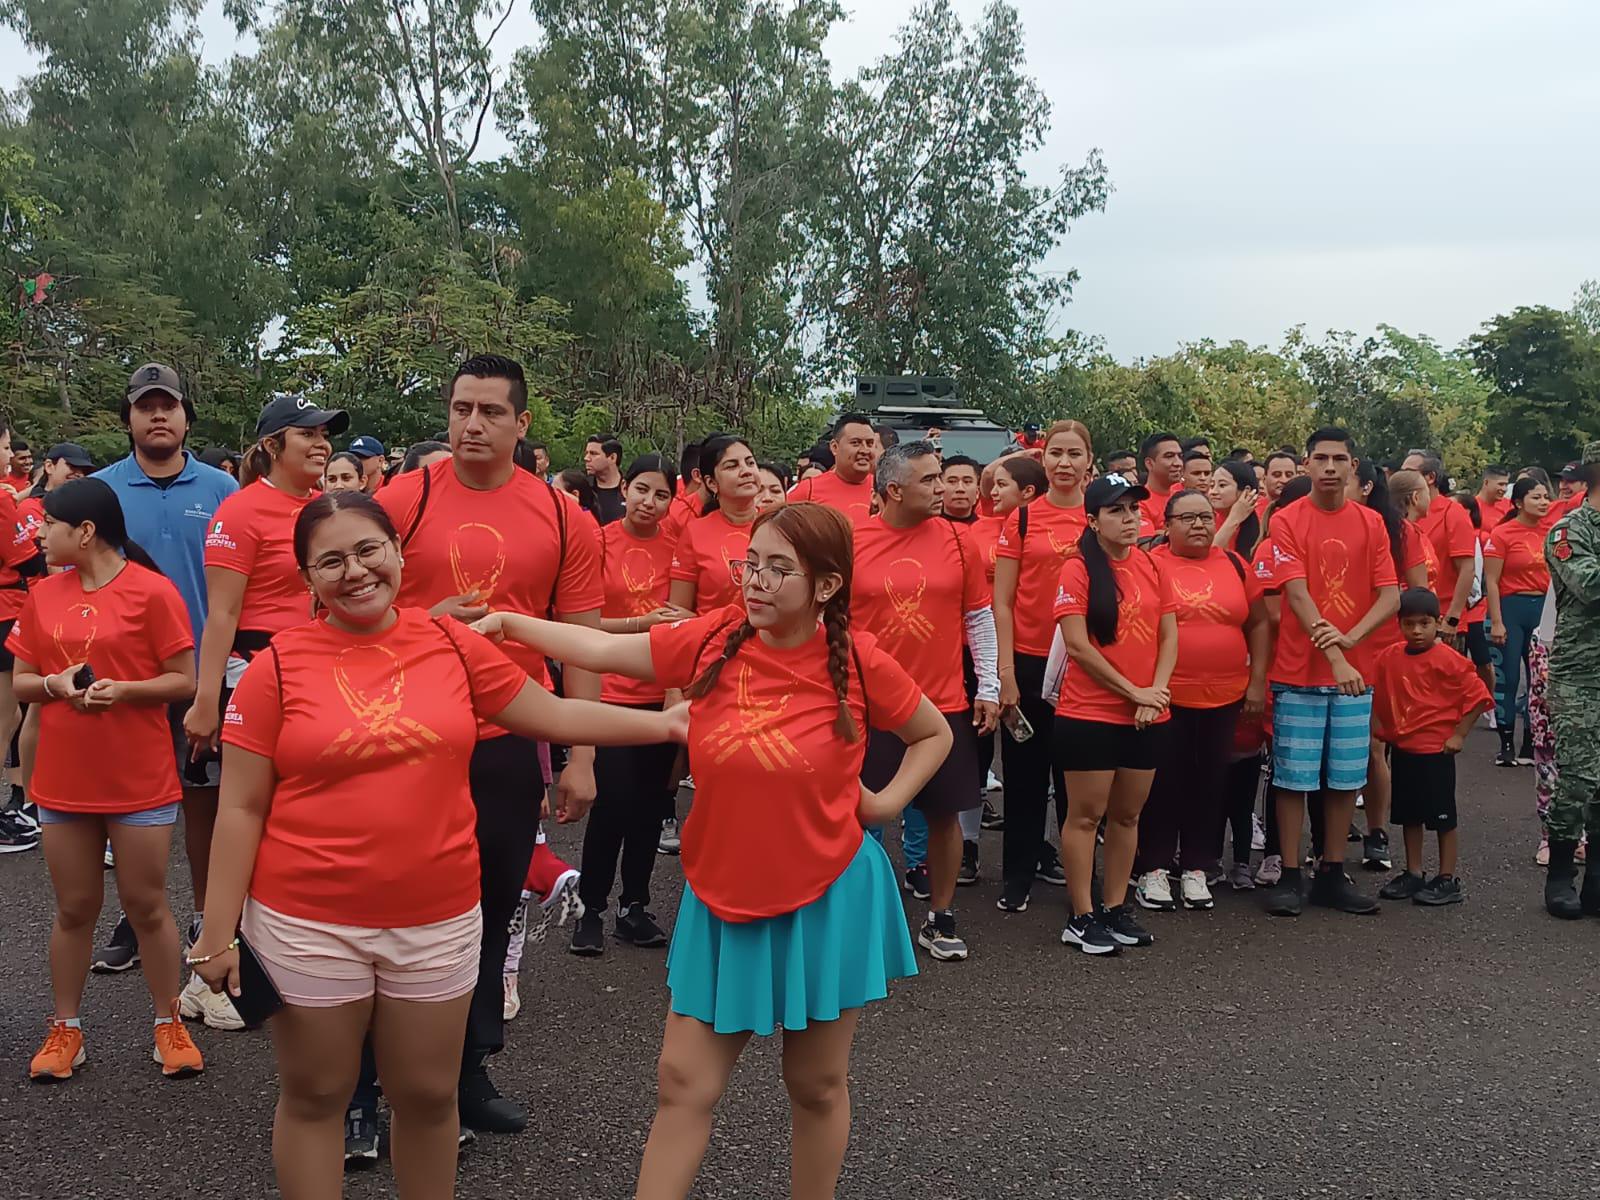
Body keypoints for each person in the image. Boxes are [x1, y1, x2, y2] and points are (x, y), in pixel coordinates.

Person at [187, 490, 679, 1198]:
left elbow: (553, 711)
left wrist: (667, 726)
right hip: (307, 923)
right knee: (316, 1099)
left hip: (438, 919)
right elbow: (238, 807)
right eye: (330, 561)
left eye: (367, 550)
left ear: (397, 553)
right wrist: (216, 933)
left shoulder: (453, 642)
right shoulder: (278, 667)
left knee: (426, 1096)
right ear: (306, 581)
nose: (354, 571)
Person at [473, 502, 951, 1200]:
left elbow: (933, 733)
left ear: (825, 586)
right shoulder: (715, 639)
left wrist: (884, 802)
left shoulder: (858, 661)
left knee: (815, 1085)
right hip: (722, 888)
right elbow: (601, 650)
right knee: (682, 1083)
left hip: (827, 889)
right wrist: (511, 624)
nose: (755, 582)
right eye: (750, 564)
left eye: (778, 570)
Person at [374, 352, 605, 1132]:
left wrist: (582, 757)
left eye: (491, 412)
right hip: (403, 732)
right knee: (397, 906)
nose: (473, 424)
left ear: (523, 424)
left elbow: (581, 640)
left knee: (490, 898)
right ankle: (369, 1085)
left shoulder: (564, 516)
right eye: (462, 408)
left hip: (510, 733)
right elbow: (342, 611)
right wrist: (421, 621)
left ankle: (467, 1069)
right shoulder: (402, 501)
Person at [14, 479, 203, 1081]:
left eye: (50, 522)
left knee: (147, 906)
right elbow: (22, 680)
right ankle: (65, 1028)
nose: (38, 533)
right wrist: (54, 686)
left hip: (139, 776)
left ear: (86, 531)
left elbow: (185, 680)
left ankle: (168, 1021)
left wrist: (124, 691)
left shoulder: (153, 593)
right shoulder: (42, 595)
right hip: (64, 779)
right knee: (74, 909)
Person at [180, 394, 346, 1014]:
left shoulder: (324, 511)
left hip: (317, 669)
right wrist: (205, 700)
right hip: (252, 672)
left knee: (298, 817)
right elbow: (220, 611)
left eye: (328, 434)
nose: (323, 443)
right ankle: (212, 975)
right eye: (309, 434)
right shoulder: (241, 510)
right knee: (249, 817)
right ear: (273, 445)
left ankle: (257, 970)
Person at [88, 365, 238, 985]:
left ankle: (209, 921)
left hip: (204, 673)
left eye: (168, 406)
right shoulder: (100, 491)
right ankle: (137, 917)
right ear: (128, 418)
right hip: (127, 680)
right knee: (134, 811)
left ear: (185, 417)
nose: (157, 416)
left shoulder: (223, 488)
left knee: (207, 806)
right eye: (144, 406)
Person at [853, 442, 998, 961]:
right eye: (931, 480)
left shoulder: (961, 541)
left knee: (945, 814)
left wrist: (990, 686)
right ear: (894, 489)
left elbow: (978, 618)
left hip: (941, 706)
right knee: (853, 815)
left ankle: (939, 916)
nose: (945, 489)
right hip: (866, 706)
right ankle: (847, 913)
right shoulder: (850, 540)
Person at [1260, 428, 1399, 918]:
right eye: (1320, 458)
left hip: (1354, 675)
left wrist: (1351, 641)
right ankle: (1291, 874)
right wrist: (1336, 654)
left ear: (1353, 465)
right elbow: (1295, 594)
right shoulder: (1287, 520)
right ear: (1306, 464)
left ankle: (1332, 871)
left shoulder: (1372, 523)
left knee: (1344, 780)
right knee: (1294, 778)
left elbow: (1390, 595)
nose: (1330, 468)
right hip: (1299, 670)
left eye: (1340, 459)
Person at [570, 455, 693, 957]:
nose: (649, 502)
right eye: (642, 490)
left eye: (661, 495)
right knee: (611, 807)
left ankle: (634, 907)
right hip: (607, 693)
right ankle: (590, 908)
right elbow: (584, 624)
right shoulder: (597, 543)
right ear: (625, 488)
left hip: (659, 697)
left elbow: (685, 622)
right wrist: (641, 626)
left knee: (650, 809)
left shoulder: (679, 551)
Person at [1053, 473, 1178, 954]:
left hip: (1146, 713)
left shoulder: (1151, 565)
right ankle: (1081, 916)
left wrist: (1157, 692)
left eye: (1133, 509)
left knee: (1127, 817)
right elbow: (1079, 648)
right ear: (1092, 520)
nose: (1129, 519)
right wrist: (1136, 693)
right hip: (1089, 714)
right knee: (1086, 817)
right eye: (1116, 511)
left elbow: (1169, 635)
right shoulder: (1076, 569)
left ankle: (1115, 905)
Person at [1135, 489, 1269, 913]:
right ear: (1167, 525)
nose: (1199, 525)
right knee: (1162, 783)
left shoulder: (1233, 563)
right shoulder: (1150, 565)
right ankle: (1154, 868)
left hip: (1226, 696)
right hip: (1166, 696)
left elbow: (1260, 624)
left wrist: (1257, 683)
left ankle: (1197, 866)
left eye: (1206, 517)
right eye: (1187, 518)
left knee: (1210, 782)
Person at [993, 421, 1094, 911]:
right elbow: (1004, 602)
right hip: (1031, 663)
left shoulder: (1100, 518)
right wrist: (1006, 672)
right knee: (1024, 774)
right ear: (1043, 459)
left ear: (1089, 461)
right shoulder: (1024, 518)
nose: (1065, 463)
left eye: (1075, 454)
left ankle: (1081, 877)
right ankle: (1018, 872)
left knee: (1078, 778)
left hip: (1085, 666)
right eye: (1056, 453)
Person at [1371, 588, 1491, 907]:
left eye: (1424, 624)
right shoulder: (1390, 656)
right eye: (1409, 624)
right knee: (1409, 815)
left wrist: (1459, 735)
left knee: (1442, 817)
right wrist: (1381, 726)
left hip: (1437, 751)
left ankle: (1447, 878)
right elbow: (1377, 688)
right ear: (1399, 624)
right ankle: (1414, 872)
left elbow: (1478, 696)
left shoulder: (1448, 659)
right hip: (1405, 748)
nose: (1417, 631)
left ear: (1437, 623)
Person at [1349, 459, 1428, 874]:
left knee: (1374, 746)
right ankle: (1335, 828)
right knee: (1343, 748)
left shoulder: (1401, 531)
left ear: (1364, 487)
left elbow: (1420, 594)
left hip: (1386, 650)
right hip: (1339, 649)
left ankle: (1376, 832)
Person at [1540, 441, 1600, 920]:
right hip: (1581, 674)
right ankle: (1560, 873)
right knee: (1579, 778)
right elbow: (1589, 584)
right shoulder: (1568, 528)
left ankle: (1596, 879)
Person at [1485, 477, 1553, 767]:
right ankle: (1506, 744)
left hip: (1543, 609)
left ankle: (1530, 743)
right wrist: (1497, 621)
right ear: (1518, 502)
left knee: (1539, 680)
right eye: (1536, 497)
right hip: (1510, 609)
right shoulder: (1502, 534)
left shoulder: (1552, 532)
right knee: (1509, 678)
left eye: (1545, 497)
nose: (1543, 502)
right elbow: (1491, 580)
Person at [670, 435, 762, 614]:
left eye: (750, 463)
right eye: (732, 466)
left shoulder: (778, 525)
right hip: (713, 638)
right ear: (711, 483)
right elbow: (677, 613)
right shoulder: (694, 533)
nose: (746, 471)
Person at [1401, 451, 1476, 646]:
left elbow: (1467, 569)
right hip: (1408, 622)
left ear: (1430, 477)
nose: (1402, 478)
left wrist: (1453, 617)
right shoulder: (1401, 514)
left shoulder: (1453, 513)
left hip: (1442, 620)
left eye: (1410, 472)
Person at [786, 412, 877, 524]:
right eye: (855, 443)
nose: (865, 450)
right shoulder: (808, 490)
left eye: (870, 443)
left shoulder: (885, 490)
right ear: (834, 447)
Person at [16, 442, 94, 536]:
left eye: (84, 471)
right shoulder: (32, 507)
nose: (79, 474)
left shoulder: (87, 507)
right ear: (49, 466)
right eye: (72, 466)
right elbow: (42, 547)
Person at [1208, 460, 1261, 558]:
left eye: (1222, 485)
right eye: (1211, 485)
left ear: (1246, 491)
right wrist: (1234, 518)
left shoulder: (1263, 523)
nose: (1213, 492)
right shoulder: (1206, 522)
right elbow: (1208, 558)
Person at [1138, 431, 1184, 532]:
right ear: (1149, 464)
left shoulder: (1185, 496)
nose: (1178, 463)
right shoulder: (1139, 503)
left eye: (1180, 456)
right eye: (1169, 456)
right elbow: (1147, 544)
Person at [584, 434, 626, 524]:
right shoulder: (583, 488)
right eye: (586, 453)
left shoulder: (631, 490)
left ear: (612, 458)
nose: (586, 458)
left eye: (593, 454)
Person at [1258, 450, 1300, 521]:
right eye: (1277, 475)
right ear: (1264, 479)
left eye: (1289, 475)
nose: (1284, 480)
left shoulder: (1304, 510)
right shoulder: (1252, 510)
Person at [940, 455, 982, 522]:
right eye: (952, 481)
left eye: (967, 481)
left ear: (977, 492)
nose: (960, 489)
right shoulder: (925, 527)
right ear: (940, 490)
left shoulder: (995, 528)